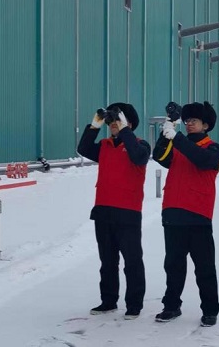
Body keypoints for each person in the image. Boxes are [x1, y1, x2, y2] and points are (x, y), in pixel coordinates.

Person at [77, 102, 151, 320]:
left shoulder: (140, 145)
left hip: (128, 212)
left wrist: (125, 128)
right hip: (103, 211)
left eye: (116, 121)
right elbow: (83, 149)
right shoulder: (105, 146)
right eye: (111, 122)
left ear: (129, 124)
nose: (113, 125)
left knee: (132, 260)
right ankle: (108, 301)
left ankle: (134, 304)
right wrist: (94, 125)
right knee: (108, 261)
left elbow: (138, 157)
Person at [152, 101, 219, 327]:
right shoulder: (178, 146)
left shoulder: (213, 149)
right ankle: (171, 306)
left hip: (198, 216)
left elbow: (203, 161)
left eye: (194, 121)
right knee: (173, 265)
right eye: (187, 120)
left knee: (204, 267)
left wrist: (177, 138)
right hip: (173, 214)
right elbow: (159, 156)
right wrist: (167, 130)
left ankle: (210, 310)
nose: (189, 124)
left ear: (206, 125)